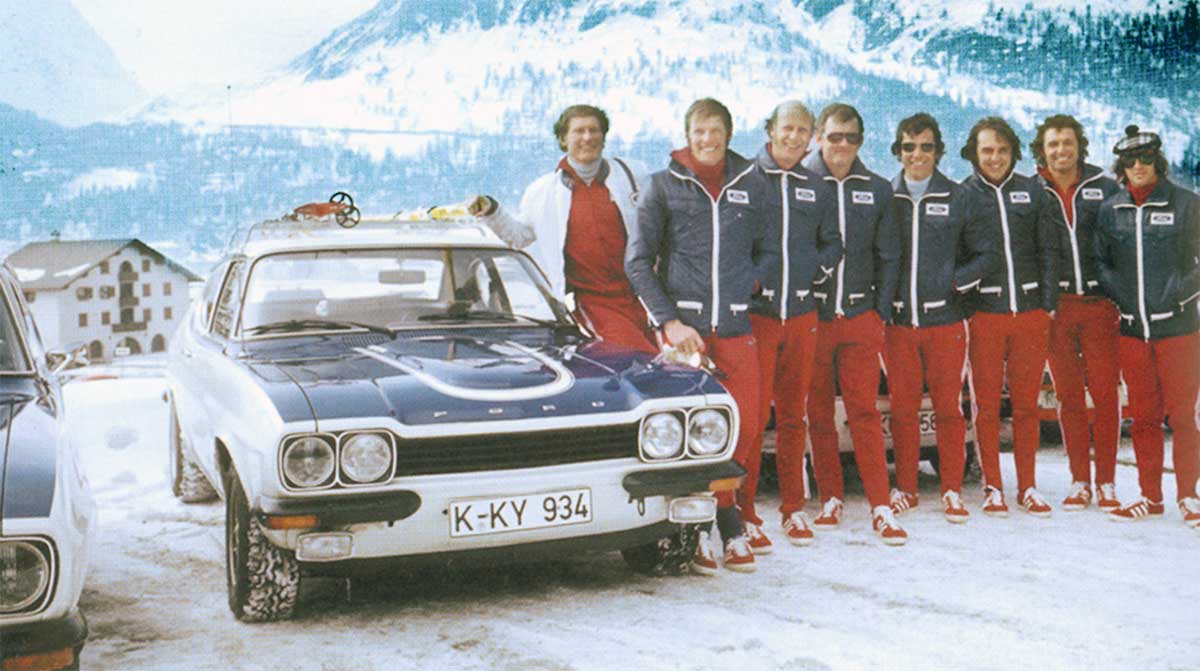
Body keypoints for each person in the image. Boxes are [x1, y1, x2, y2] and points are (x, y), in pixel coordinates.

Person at [626, 97, 778, 573]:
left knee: (747, 428)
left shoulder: (752, 182)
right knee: (692, 435)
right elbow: (637, 262)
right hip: (684, 334)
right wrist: (668, 320)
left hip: (734, 325)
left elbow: (770, 249)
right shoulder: (663, 185)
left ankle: (727, 516)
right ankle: (705, 533)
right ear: (687, 134)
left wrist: (748, 286)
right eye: (699, 132)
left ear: (728, 134)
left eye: (715, 131)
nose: (707, 140)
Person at [802, 103, 907, 545]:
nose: (842, 145)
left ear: (861, 142)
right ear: (818, 138)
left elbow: (890, 255)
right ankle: (830, 496)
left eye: (851, 138)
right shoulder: (802, 184)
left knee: (863, 411)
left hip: (861, 317)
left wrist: (878, 311)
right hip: (816, 318)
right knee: (819, 412)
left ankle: (880, 505)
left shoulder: (877, 188)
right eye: (834, 136)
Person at [471, 104, 656, 354]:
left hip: (643, 295)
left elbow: (662, 222)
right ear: (563, 139)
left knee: (669, 362)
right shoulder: (544, 191)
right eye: (578, 131)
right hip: (594, 302)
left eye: (594, 130)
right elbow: (520, 237)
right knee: (639, 358)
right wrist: (492, 212)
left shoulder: (633, 175)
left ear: (603, 136)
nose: (587, 137)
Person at [887, 112, 997, 524]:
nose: (918, 154)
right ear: (898, 151)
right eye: (909, 146)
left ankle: (951, 487)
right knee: (903, 408)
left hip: (946, 323)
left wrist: (956, 282)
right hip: (899, 324)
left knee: (949, 407)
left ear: (938, 151)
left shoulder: (957, 196)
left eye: (927, 146)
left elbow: (986, 253)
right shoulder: (888, 195)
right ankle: (907, 488)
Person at [744, 101, 842, 552]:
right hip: (759, 318)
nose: (794, 137)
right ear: (771, 129)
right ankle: (743, 513)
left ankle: (792, 508)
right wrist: (753, 284)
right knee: (752, 416)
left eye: (804, 130)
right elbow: (731, 242)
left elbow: (833, 243)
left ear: (812, 136)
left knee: (792, 416)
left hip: (802, 316)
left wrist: (810, 275)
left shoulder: (815, 184)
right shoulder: (747, 179)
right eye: (787, 128)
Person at [1094, 125, 1200, 528]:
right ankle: (1149, 496)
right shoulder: (1112, 209)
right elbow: (1101, 262)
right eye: (1130, 161)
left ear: (1158, 161)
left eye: (1145, 159)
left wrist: (1179, 294)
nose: (1138, 166)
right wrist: (1119, 293)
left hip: (1179, 330)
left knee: (1184, 417)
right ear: (1121, 166)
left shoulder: (1188, 205)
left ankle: (1189, 496)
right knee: (1142, 418)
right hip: (1133, 332)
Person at [960, 117, 1060, 518]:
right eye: (987, 150)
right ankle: (993, 486)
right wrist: (965, 296)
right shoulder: (963, 196)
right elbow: (953, 257)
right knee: (985, 405)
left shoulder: (1033, 191)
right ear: (974, 153)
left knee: (1025, 405)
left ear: (1013, 153)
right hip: (985, 315)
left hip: (1031, 314)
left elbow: (1050, 250)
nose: (995, 158)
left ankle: (1028, 486)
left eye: (1002, 150)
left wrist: (1048, 302)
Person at [1032, 115, 1124, 512]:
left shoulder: (1104, 188)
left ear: (1079, 146)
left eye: (1067, 143)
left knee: (1105, 395)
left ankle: (1106, 481)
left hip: (1101, 306)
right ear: (1043, 149)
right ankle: (1079, 481)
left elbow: (1124, 244)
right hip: (1057, 307)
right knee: (1068, 397)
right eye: (1053, 144)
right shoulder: (1033, 190)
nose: (1060, 151)